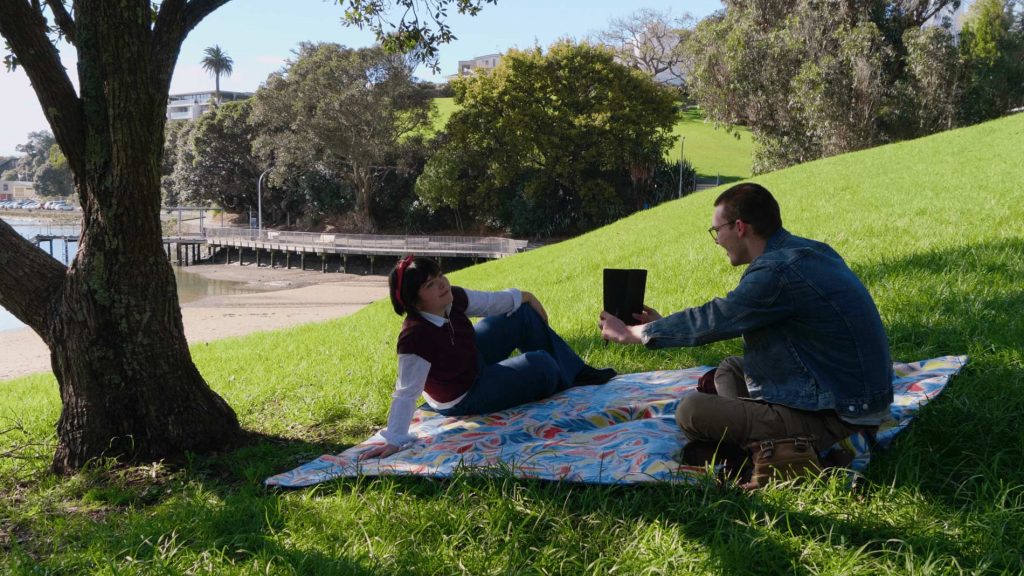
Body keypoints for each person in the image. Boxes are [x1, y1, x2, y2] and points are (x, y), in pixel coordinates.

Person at [598, 183, 893, 482]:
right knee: (730, 368)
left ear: (739, 227)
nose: (717, 241)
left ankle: (766, 449)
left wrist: (636, 333)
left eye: (717, 231)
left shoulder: (776, 273)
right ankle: (754, 435)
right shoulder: (806, 252)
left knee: (690, 410)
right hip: (844, 393)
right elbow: (733, 317)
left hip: (837, 417)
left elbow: (715, 317)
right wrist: (663, 324)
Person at [361, 255, 616, 459]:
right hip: (463, 394)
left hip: (472, 359)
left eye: (440, 276)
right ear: (415, 303)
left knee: (520, 313)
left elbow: (494, 302)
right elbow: (405, 392)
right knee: (543, 364)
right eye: (430, 284)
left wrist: (526, 296)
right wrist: (394, 439)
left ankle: (576, 371)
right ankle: (555, 372)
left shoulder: (452, 299)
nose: (442, 284)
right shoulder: (415, 337)